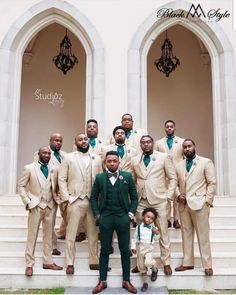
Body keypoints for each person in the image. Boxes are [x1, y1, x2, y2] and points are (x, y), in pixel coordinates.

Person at [90, 151, 138, 294]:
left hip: (122, 217)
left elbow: (134, 198)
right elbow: (93, 198)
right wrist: (98, 215)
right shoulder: (99, 178)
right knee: (104, 250)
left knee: (125, 250)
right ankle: (102, 281)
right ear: (105, 162)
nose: (112, 163)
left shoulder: (127, 177)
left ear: (119, 162)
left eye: (114, 161)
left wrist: (130, 214)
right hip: (105, 218)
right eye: (109, 161)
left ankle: (127, 280)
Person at [131, 135, 177, 276]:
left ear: (153, 143)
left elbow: (172, 177)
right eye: (143, 143)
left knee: (163, 231)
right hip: (141, 200)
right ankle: (140, 264)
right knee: (140, 233)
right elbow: (134, 180)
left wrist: (168, 196)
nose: (146, 145)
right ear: (140, 145)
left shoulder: (163, 157)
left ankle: (166, 262)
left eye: (148, 142)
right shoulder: (135, 160)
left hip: (159, 200)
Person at [58, 133, 102, 274]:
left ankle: (94, 261)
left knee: (93, 233)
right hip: (75, 200)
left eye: (85, 139)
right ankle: (70, 262)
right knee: (71, 234)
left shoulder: (97, 158)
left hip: (92, 201)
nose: (83, 141)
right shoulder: (68, 157)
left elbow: (100, 179)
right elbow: (61, 179)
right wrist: (67, 198)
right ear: (75, 142)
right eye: (80, 139)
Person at [18, 146, 63, 277]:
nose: (47, 155)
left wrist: (57, 200)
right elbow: (21, 186)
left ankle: (48, 261)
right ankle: (29, 264)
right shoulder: (29, 168)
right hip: (35, 205)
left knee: (48, 236)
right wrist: (28, 201)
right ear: (38, 154)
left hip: (50, 206)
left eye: (49, 153)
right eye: (44, 153)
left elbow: (57, 187)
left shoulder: (55, 169)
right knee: (32, 235)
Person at [175, 139, 216, 276]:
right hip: (183, 205)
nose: (187, 149)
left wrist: (207, 201)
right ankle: (187, 263)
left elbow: (212, 183)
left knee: (203, 236)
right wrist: (177, 195)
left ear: (194, 146)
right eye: (185, 147)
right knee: (186, 235)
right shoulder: (179, 165)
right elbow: (174, 184)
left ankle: (207, 265)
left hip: (200, 204)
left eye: (189, 146)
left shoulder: (205, 162)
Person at [33, 133, 67, 254]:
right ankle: (52, 246)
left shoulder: (65, 155)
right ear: (50, 141)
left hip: (61, 192)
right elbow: (37, 174)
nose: (58, 142)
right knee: (50, 222)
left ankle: (62, 232)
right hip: (47, 194)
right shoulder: (42, 153)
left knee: (67, 216)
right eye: (56, 140)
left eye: (60, 140)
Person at [155, 120, 185, 229]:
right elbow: (156, 157)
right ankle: (167, 219)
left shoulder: (182, 142)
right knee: (166, 196)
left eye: (171, 126)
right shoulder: (158, 143)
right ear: (164, 128)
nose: (169, 128)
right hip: (164, 173)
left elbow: (185, 158)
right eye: (167, 126)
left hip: (178, 172)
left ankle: (176, 219)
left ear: (175, 128)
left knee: (178, 196)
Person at [131, 207, 160, 292]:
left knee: (148, 262)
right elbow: (135, 238)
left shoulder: (153, 228)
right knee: (142, 267)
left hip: (149, 248)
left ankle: (154, 269)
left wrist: (157, 233)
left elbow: (157, 238)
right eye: (148, 216)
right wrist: (133, 247)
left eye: (152, 218)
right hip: (140, 248)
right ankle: (145, 283)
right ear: (143, 216)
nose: (149, 219)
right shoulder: (139, 227)